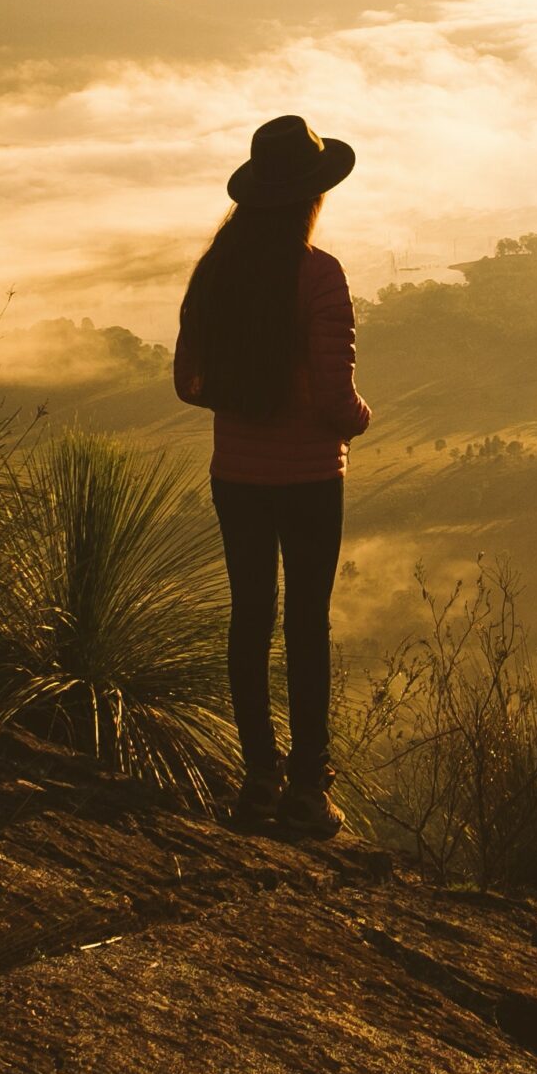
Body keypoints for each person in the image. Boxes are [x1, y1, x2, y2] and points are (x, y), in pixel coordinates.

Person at [173, 114, 370, 838]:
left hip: (238, 478)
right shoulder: (318, 274)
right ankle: (308, 790)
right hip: (313, 478)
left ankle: (257, 780)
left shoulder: (217, 273)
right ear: (310, 197)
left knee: (250, 619)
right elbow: (332, 399)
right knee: (306, 626)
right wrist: (360, 417)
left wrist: (245, 403)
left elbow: (188, 383)